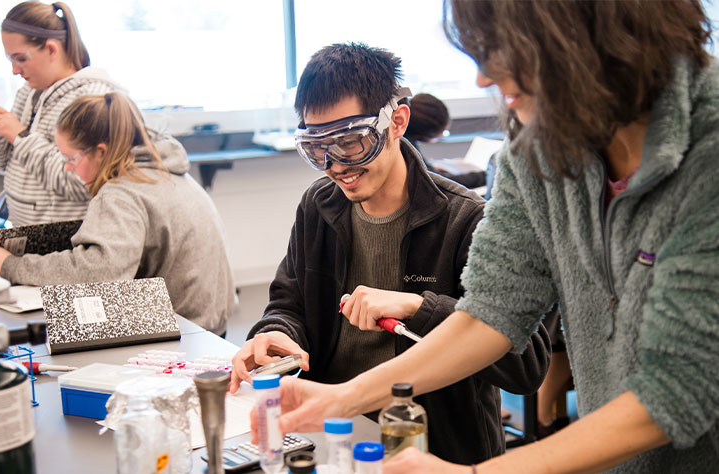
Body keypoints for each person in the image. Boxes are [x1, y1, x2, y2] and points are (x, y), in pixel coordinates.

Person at [262, 1, 719, 473]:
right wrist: (340, 400)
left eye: (499, 48)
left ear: (583, 30)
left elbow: (680, 389)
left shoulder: (708, 151)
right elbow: (490, 313)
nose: (483, 78)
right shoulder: (537, 150)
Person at [230, 42, 551, 465]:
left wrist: (420, 308)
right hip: (333, 435)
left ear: (396, 121)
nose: (336, 165)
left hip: (433, 450)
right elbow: (290, 303)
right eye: (316, 149)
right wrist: (276, 334)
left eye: (350, 142)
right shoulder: (319, 206)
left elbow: (525, 367)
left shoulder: (466, 221)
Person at [0, 92, 236, 336]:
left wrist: (8, 265)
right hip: (211, 327)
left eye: (70, 159)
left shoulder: (122, 192)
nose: (67, 169)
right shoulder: (165, 172)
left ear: (101, 152)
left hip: (186, 335)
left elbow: (97, 272)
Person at [0, 1, 122, 226]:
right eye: (9, 59)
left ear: (51, 49)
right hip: (29, 235)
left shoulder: (91, 99)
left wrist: (20, 137)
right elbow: (4, 164)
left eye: (20, 58)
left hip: (62, 243)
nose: (14, 70)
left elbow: (79, 183)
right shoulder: (30, 92)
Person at [404, 92, 486, 189]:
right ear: (427, 133)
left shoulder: (403, 137)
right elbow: (441, 182)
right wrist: (485, 176)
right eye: (444, 132)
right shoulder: (406, 147)